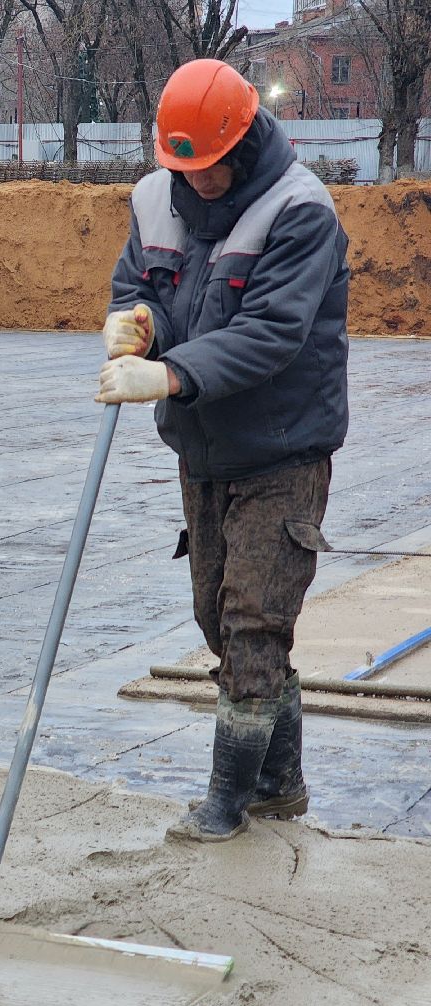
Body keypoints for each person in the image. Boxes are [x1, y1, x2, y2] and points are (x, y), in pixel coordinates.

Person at [98, 58, 349, 842]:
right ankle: (281, 781)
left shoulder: (299, 211)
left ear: (239, 144)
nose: (196, 181)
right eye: (185, 166)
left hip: (282, 448)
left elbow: (271, 334)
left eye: (208, 166)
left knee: (253, 622)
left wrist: (169, 375)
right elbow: (145, 288)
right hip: (203, 449)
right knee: (217, 616)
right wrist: (137, 323)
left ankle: (227, 801)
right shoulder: (154, 198)